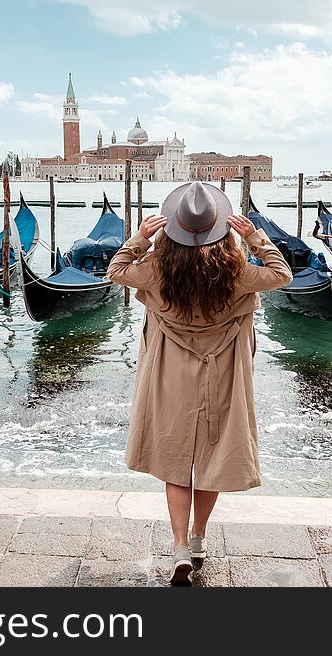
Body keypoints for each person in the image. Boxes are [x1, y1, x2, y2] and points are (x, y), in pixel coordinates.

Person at [107, 181, 292, 586]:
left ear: (172, 226)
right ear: (220, 228)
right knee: (213, 457)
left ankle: (177, 547)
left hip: (170, 376)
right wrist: (256, 238)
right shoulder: (237, 270)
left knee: (176, 459)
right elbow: (282, 274)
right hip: (223, 376)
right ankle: (198, 540)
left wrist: (140, 237)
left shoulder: (157, 269)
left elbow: (115, 271)